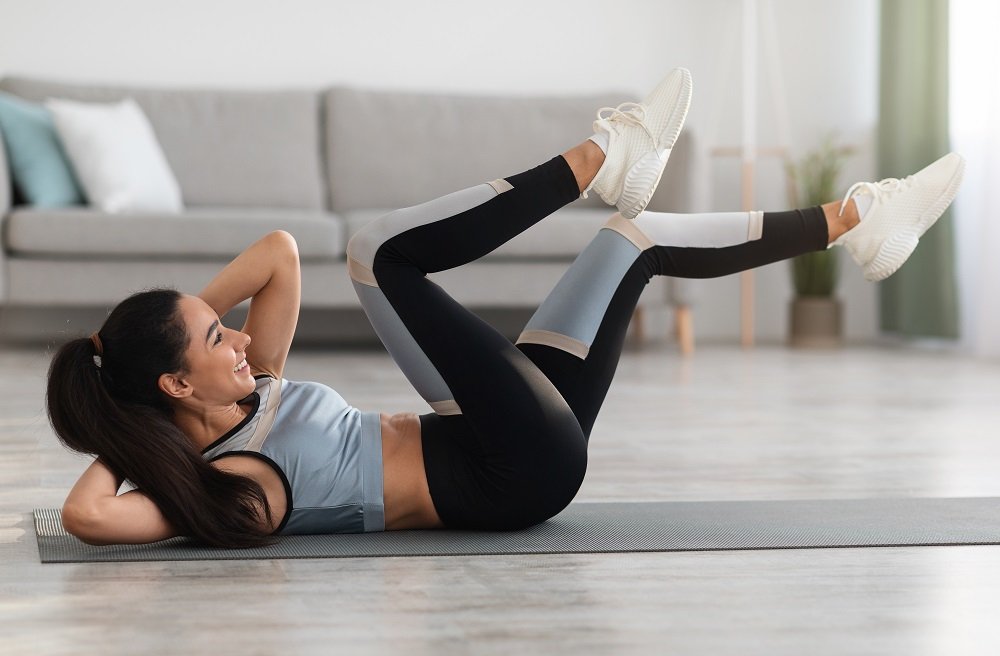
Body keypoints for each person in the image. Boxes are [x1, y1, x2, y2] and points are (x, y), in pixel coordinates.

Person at [46, 68, 965, 548]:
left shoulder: (256, 389)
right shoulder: (231, 484)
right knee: (378, 256)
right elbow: (89, 517)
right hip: (507, 466)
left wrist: (134, 348)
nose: (241, 334)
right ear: (174, 381)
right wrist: (122, 416)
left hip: (499, 433)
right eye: (216, 337)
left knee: (630, 244)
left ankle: (860, 221)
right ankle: (601, 156)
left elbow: (278, 257)